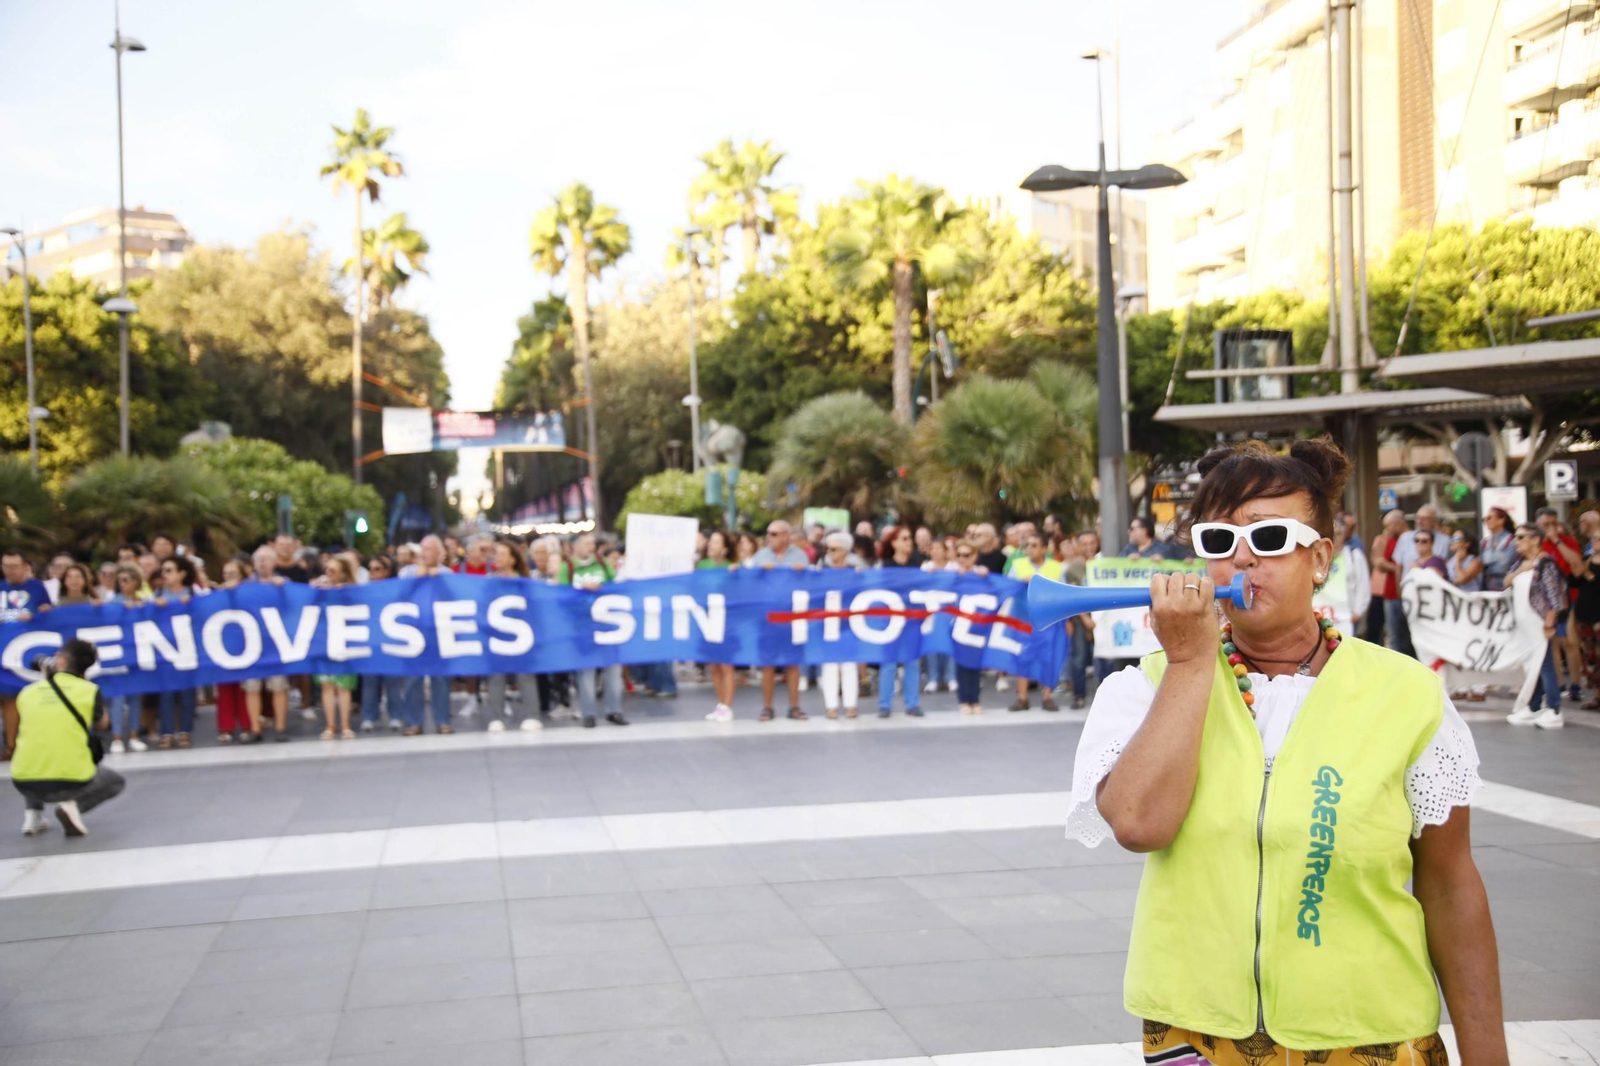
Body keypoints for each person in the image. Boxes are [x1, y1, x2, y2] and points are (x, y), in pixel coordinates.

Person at [1068, 437, 1503, 1066]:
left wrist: (1489, 1056)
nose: (1241, 560)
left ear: (1320, 558)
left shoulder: (1409, 694)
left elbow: (1451, 884)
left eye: (1269, 539)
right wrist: (1192, 664)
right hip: (1199, 1035)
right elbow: (1139, 825)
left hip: (1373, 1033)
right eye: (1218, 542)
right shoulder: (1146, 685)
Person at [13, 640, 126, 838]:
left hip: (23, 781)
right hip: (71, 782)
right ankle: (72, 806)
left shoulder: (28, 693)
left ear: (62, 661)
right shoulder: (89, 690)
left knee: (37, 746)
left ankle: (33, 815)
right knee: (115, 781)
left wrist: (48, 681)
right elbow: (102, 725)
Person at [1506, 522, 1569, 730]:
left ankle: (1554, 708)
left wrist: (1550, 622)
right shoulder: (1521, 562)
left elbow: (1554, 596)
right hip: (1524, 625)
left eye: (1521, 537)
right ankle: (1533, 706)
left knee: (1546, 664)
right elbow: (1506, 582)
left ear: (1535, 539)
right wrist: (1521, 570)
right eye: (1516, 537)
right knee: (1534, 665)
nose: (1517, 541)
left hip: (1540, 622)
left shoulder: (1546, 564)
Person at [748, 521, 811, 722]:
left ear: (786, 536)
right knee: (768, 664)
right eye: (768, 533)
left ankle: (794, 707)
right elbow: (748, 582)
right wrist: (759, 573)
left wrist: (803, 572)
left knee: (793, 663)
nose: (769, 537)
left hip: (793, 616)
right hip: (768, 617)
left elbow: (811, 583)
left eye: (774, 534)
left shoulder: (800, 556)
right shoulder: (760, 556)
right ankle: (767, 707)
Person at [564, 533, 628, 728]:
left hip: (607, 623)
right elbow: (559, 594)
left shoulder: (601, 564)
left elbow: (615, 585)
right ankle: (588, 713)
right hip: (582, 626)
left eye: (592, 542)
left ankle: (614, 710)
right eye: (586, 543)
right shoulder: (568, 568)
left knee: (613, 669)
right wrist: (580, 588)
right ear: (575, 546)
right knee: (586, 671)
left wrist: (602, 587)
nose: (591, 546)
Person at [399, 535, 457, 734]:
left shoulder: (447, 573)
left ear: (439, 554)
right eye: (422, 548)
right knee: (413, 679)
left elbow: (455, 597)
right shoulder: (407, 572)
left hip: (439, 632)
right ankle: (415, 721)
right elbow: (398, 595)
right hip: (412, 631)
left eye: (429, 549)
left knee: (440, 678)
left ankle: (442, 720)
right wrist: (418, 578)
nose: (424, 552)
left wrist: (438, 580)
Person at [485, 539, 543, 733]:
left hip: (522, 634)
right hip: (497, 634)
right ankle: (496, 717)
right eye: (496, 553)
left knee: (525, 675)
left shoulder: (524, 583)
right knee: (496, 677)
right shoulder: (489, 582)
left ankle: (532, 716)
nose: (497, 557)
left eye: (501, 554)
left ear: (512, 559)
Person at [1536, 507, 1588, 704]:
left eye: (1553, 524)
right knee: (1553, 642)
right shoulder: (1537, 543)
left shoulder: (1567, 541)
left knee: (1570, 640)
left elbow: (1576, 565)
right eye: (1545, 525)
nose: (1550, 528)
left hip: (1568, 596)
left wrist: (1558, 540)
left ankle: (1575, 683)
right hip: (1546, 600)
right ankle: (1558, 684)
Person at [1005, 533, 1061, 713]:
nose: (1029, 549)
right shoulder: (1018, 565)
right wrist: (1020, 583)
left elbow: (1062, 593)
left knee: (1047, 657)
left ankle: (1047, 697)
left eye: (1034, 545)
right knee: (1023, 658)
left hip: (1048, 620)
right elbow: (1008, 588)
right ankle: (1022, 698)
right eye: (1027, 545)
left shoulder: (1056, 567)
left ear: (1044, 549)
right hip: (1023, 619)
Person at [242, 546, 292, 742]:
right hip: (252, 641)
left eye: (266, 559)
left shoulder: (284, 584)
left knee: (279, 684)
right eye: (259, 559)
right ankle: (255, 729)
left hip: (276, 642)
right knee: (252, 686)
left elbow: (294, 606)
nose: (262, 563)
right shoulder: (245, 586)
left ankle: (280, 727)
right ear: (254, 564)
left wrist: (283, 591)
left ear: (274, 563)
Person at [153, 555, 203, 749]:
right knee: (166, 693)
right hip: (164, 651)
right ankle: (166, 732)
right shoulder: (157, 594)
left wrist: (191, 604)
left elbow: (206, 612)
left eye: (169, 570)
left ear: (182, 573)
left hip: (188, 649)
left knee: (186, 692)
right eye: (163, 571)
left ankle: (185, 731)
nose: (165, 574)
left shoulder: (193, 592)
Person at [874, 525, 923, 719]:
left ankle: (912, 703)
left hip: (912, 619)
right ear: (893, 542)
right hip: (890, 620)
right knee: (889, 663)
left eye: (909, 538)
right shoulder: (885, 565)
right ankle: (885, 704)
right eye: (904, 538)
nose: (908, 542)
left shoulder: (918, 563)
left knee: (912, 661)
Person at [814, 531, 864, 720]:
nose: (829, 552)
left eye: (834, 549)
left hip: (849, 622)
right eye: (828, 548)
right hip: (827, 622)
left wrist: (861, 577)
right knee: (830, 665)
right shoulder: (821, 569)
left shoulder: (855, 569)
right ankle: (831, 706)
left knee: (850, 664)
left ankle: (851, 705)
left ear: (844, 551)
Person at [357, 553, 406, 733]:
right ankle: (369, 716)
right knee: (369, 681)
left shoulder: (396, 590)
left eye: (377, 569)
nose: (373, 574)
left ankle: (395, 715)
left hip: (391, 641)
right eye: (371, 570)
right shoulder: (363, 590)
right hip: (370, 641)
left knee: (392, 681)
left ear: (387, 571)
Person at [105, 566, 151, 754]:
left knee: (135, 697)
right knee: (119, 696)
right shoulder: (113, 602)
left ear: (135, 582)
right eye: (120, 580)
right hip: (119, 654)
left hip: (138, 654)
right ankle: (117, 737)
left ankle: (134, 734)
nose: (123, 583)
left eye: (127, 580)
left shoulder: (143, 602)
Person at [313, 556, 359, 740]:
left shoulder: (350, 591)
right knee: (327, 685)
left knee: (344, 686)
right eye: (327, 570)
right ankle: (330, 725)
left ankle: (346, 724)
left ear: (343, 573)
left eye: (332, 571)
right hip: (324, 642)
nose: (328, 574)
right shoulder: (318, 590)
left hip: (344, 641)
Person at [698, 531, 740, 723]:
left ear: (724, 548)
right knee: (714, 665)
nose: (711, 545)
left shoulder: (732, 568)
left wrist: (735, 575)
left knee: (726, 665)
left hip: (727, 620)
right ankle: (720, 704)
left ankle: (727, 705)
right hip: (707, 619)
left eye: (716, 542)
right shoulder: (702, 566)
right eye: (710, 542)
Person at [213, 558, 256, 743]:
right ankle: (226, 727)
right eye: (226, 574)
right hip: (223, 645)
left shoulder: (250, 593)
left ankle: (247, 725)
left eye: (233, 574)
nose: (228, 578)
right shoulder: (216, 595)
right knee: (224, 687)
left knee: (244, 688)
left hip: (246, 645)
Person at [948, 540, 991, 714]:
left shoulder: (979, 573)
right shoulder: (951, 572)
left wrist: (985, 575)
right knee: (961, 663)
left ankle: (975, 699)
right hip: (957, 624)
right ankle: (963, 700)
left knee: (975, 662)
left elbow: (994, 588)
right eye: (959, 555)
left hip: (976, 625)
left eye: (966, 555)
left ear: (974, 556)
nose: (961, 559)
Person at [1369, 509, 1413, 656]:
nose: (1386, 529)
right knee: (1392, 634)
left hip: (1402, 592)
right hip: (1390, 593)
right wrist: (1384, 538)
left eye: (1388, 526)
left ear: (1397, 523)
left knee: (1404, 636)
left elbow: (1401, 566)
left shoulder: (1410, 539)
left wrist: (1390, 566)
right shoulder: (1389, 539)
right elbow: (1377, 560)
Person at [920, 539, 956, 694]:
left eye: (938, 548)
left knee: (950, 644)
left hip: (950, 610)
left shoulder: (954, 567)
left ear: (945, 551)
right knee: (932, 644)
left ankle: (951, 678)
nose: (935, 551)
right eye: (932, 548)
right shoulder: (925, 567)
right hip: (931, 611)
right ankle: (933, 679)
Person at [1479, 507, 1516, 592]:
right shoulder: (1484, 542)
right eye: (1484, 519)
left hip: (1506, 588)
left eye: (1490, 518)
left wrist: (1487, 566)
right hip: (1488, 588)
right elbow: (1479, 565)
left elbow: (1505, 566)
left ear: (1501, 520)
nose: (1486, 521)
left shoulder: (1511, 540)